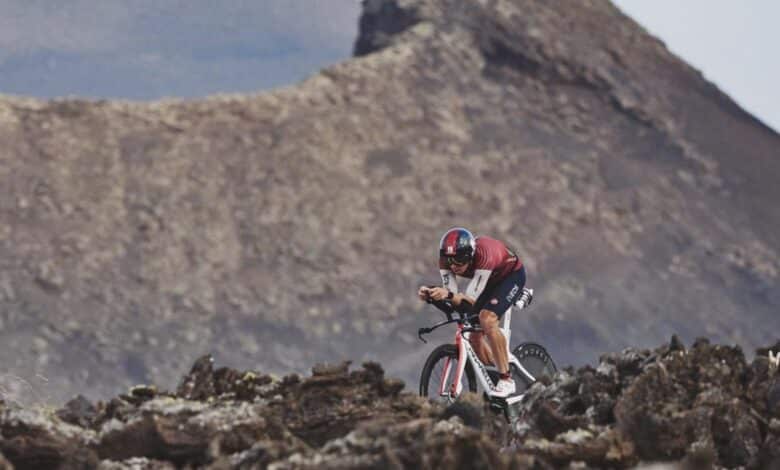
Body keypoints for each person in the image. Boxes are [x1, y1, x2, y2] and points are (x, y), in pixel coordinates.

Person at [417, 227, 526, 397]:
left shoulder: (484, 256)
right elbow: (452, 298)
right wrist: (432, 294)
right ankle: (503, 361)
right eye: (450, 261)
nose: (454, 266)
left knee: (487, 319)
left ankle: (506, 379)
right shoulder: (446, 261)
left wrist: (449, 294)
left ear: (470, 255)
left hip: (510, 277)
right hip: (487, 281)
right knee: (475, 338)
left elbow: (471, 300)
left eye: (460, 260)